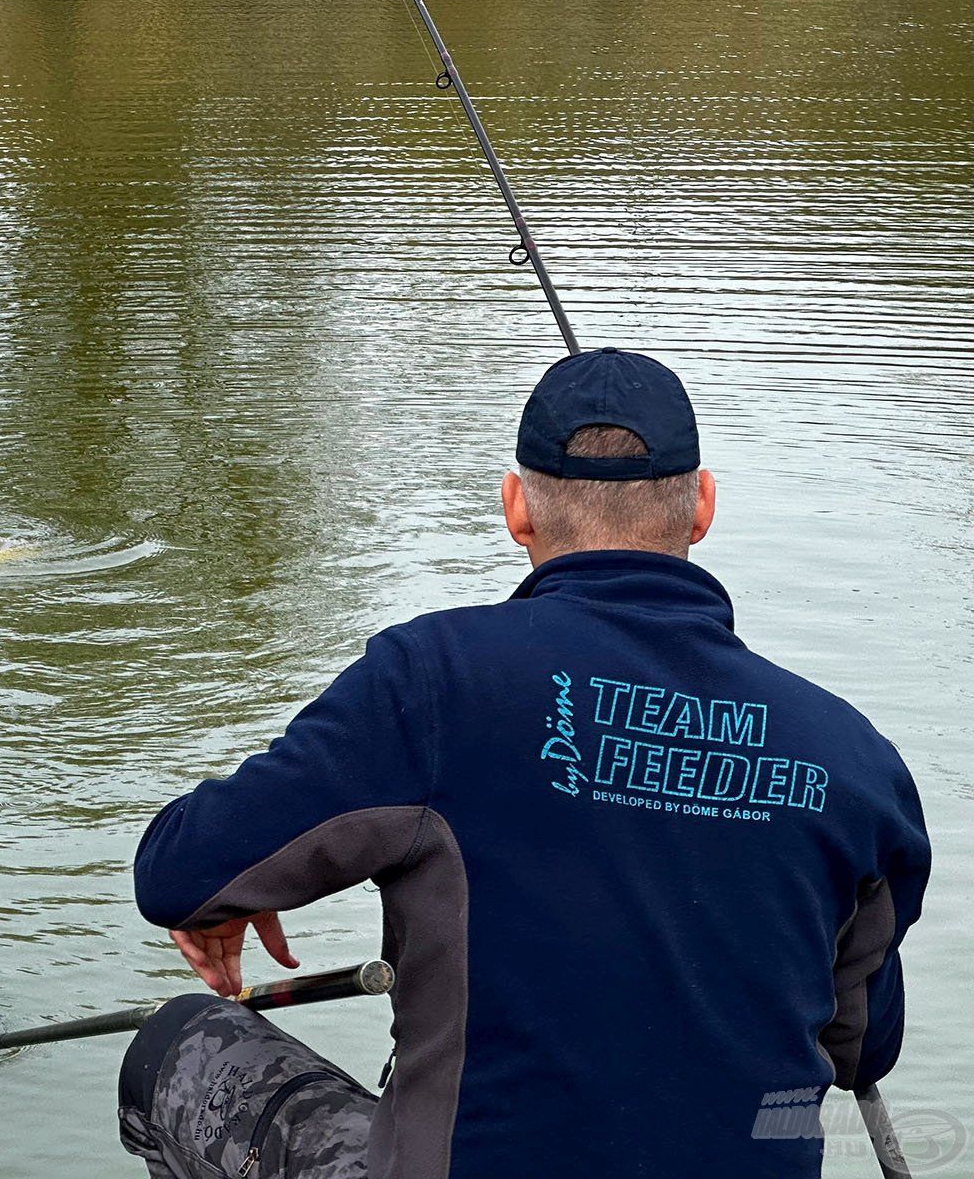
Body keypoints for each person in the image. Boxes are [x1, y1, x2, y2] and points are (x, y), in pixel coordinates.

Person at [119, 349, 929, 1179]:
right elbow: (862, 1048)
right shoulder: (857, 761)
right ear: (702, 508)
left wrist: (231, 892)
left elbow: (178, 874)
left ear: (517, 510)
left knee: (178, 1044)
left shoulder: (434, 682)